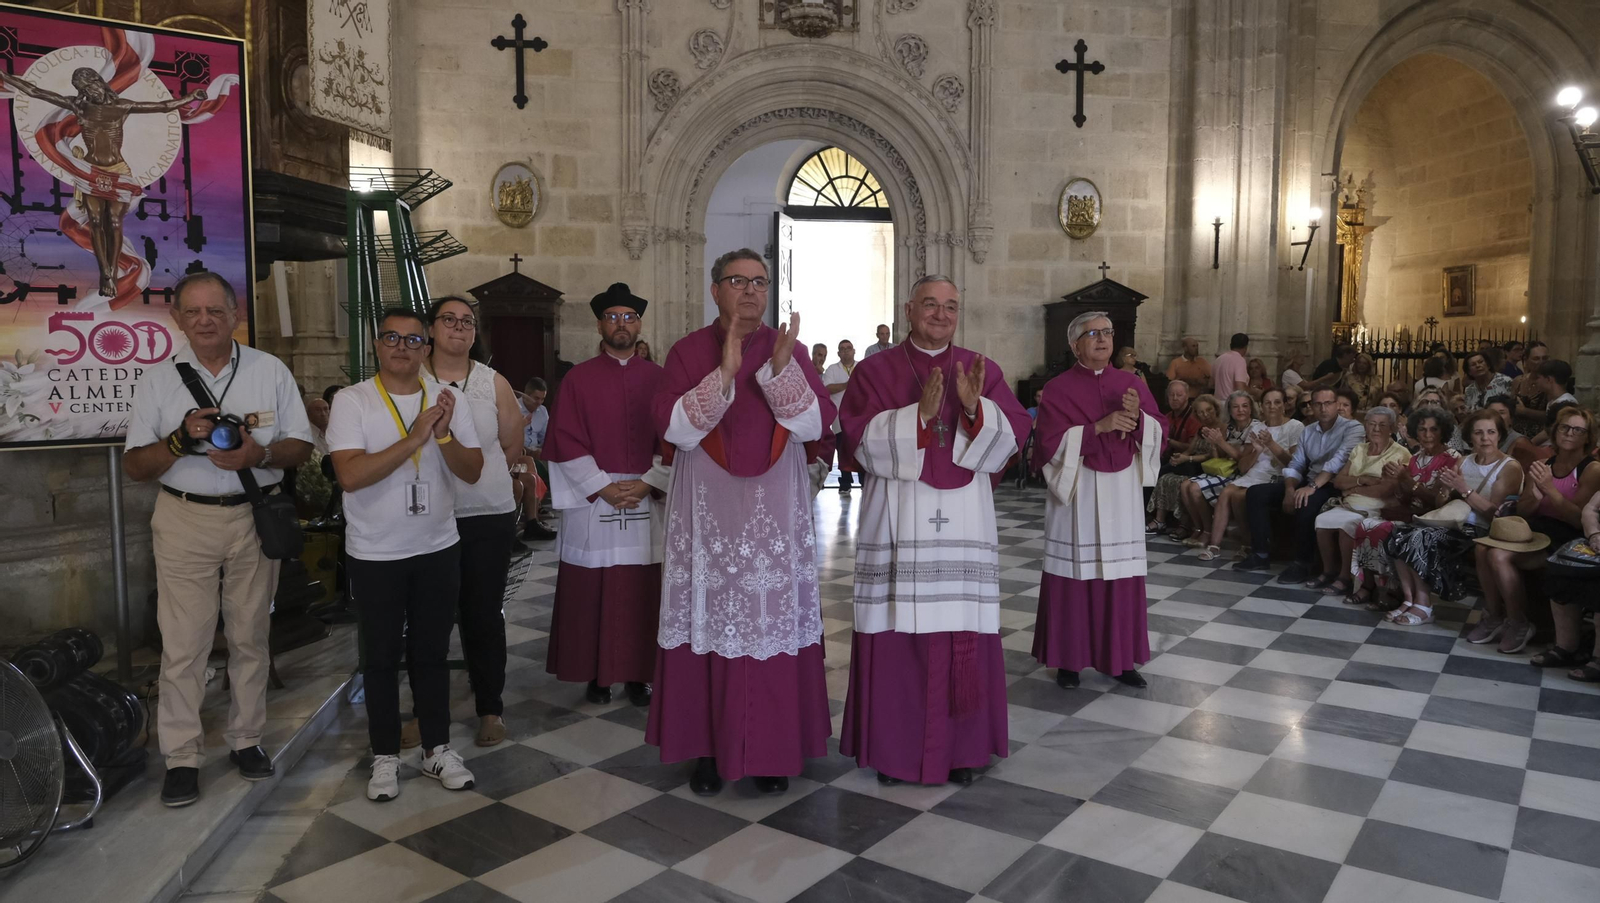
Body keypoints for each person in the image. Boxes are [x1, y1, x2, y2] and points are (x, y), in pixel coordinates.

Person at [647, 248, 836, 796]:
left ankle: (771, 753)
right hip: (708, 512)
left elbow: (815, 426)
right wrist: (725, 373)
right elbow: (673, 429)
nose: (751, 290)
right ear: (715, 290)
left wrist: (781, 371)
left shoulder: (786, 346)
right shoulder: (687, 351)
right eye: (738, 281)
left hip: (774, 511)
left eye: (760, 281)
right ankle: (708, 752)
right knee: (707, 621)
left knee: (770, 621)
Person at [123, 272, 313, 807]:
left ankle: (246, 740)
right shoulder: (158, 380)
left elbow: (301, 445)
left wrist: (260, 454)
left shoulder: (268, 370)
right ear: (177, 319)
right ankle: (182, 758)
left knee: (251, 635)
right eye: (193, 311)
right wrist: (179, 440)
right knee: (184, 645)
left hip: (254, 516)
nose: (204, 320)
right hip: (184, 519)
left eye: (215, 311)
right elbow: (135, 466)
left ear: (235, 315)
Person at [837, 275, 1029, 786]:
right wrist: (916, 418)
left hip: (965, 516)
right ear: (909, 309)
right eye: (930, 305)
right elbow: (855, 440)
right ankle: (896, 753)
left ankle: (962, 751)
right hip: (896, 517)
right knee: (896, 631)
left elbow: (1014, 436)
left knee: (961, 629)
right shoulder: (876, 371)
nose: (941, 315)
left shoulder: (982, 369)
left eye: (950, 307)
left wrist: (974, 409)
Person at [327, 307, 484, 802]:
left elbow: (472, 471)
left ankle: (437, 748)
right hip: (375, 552)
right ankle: (385, 754)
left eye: (413, 340)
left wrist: (442, 435)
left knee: (431, 653)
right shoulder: (353, 401)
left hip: (437, 546)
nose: (401, 346)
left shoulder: (448, 399)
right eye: (391, 337)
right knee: (379, 657)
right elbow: (351, 475)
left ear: (426, 349)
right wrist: (413, 438)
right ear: (377, 344)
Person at [543, 283, 667, 707]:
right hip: (595, 499)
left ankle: (639, 674)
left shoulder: (660, 379)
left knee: (641, 590)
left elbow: (673, 439)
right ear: (600, 325)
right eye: (612, 317)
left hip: (646, 495)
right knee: (593, 590)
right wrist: (604, 488)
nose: (621, 324)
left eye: (628, 317)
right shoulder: (578, 379)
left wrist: (649, 481)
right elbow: (564, 439)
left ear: (639, 324)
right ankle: (597, 672)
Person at [1032, 311, 1167, 689]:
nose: (1103, 339)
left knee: (1120, 576)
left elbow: (1160, 429)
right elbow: (1047, 444)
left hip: (1122, 489)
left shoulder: (1131, 383)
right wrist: (1098, 428)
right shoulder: (1057, 388)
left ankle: (1120, 660)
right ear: (1075, 345)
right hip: (1078, 488)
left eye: (1107, 332)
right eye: (1093, 334)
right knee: (1074, 575)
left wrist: (1138, 419)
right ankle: (1069, 661)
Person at [0, 68, 208, 299]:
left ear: (99, 82)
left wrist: (190, 97)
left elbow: (163, 106)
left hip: (118, 171)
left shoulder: (122, 106)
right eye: (84, 89)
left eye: (92, 86)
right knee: (97, 221)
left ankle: (113, 267)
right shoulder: (80, 107)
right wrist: (6, 78)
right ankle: (106, 272)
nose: (91, 92)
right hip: (91, 172)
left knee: (114, 222)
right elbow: (36, 91)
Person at [418, 296, 523, 748]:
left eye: (467, 321)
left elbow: (512, 443)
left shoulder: (492, 382)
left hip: (485, 514)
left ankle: (490, 708)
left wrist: (485, 479)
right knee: (429, 619)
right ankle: (427, 712)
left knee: (483, 615)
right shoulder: (412, 379)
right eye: (449, 319)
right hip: (427, 516)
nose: (459, 328)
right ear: (431, 328)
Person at [1388, 408, 1522, 620]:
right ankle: (1409, 599)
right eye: (1478, 433)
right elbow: (1440, 503)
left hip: (1480, 529)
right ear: (1470, 436)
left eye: (1491, 432)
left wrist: (1464, 489)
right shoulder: (1464, 461)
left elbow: (1495, 516)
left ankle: (1424, 604)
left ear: (1500, 435)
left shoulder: (1509, 467)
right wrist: (1445, 490)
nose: (1485, 438)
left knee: (1419, 537)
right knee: (1397, 534)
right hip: (1453, 522)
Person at [1234, 386, 1363, 576]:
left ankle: (1303, 562)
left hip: (1334, 484)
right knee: (1255, 493)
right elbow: (1297, 463)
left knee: (1306, 501)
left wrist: (1312, 487)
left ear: (1337, 405)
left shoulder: (1353, 428)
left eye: (1328, 403)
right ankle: (1260, 554)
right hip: (1309, 481)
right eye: (1318, 404)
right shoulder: (1309, 430)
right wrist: (1289, 488)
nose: (1323, 408)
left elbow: (1338, 461)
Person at [1515, 408, 1600, 664]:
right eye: (1565, 427)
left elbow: (1576, 519)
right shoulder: (1543, 466)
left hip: (1567, 535)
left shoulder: (1592, 469)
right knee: (1489, 552)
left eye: (1578, 430)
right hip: (1543, 530)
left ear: (1588, 437)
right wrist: (1536, 497)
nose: (1569, 433)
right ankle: (1562, 645)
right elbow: (1590, 512)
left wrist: (1550, 490)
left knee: (1505, 558)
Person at [1308, 406, 1412, 599]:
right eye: (1372, 424)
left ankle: (1345, 577)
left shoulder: (1400, 453)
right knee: (1322, 522)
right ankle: (1329, 571)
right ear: (1365, 426)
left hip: (1377, 508)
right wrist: (1362, 480)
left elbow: (1384, 490)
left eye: (1382, 425)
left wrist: (1353, 488)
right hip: (1349, 504)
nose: (1376, 429)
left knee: (1346, 526)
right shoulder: (1360, 449)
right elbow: (1339, 481)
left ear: (1391, 428)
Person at [1199, 388, 1301, 562]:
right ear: (1261, 406)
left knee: (1238, 496)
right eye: (1267, 403)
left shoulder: (1295, 426)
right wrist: (1257, 451)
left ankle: (1248, 544)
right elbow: (1243, 466)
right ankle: (1214, 545)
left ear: (1284, 405)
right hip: (1254, 473)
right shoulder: (1257, 426)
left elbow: (1293, 464)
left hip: (1277, 475)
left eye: (1277, 402)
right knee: (1226, 492)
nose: (1272, 406)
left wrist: (1271, 443)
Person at [1179, 391, 1261, 559]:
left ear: (1251, 408)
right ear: (1229, 410)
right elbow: (1220, 458)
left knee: (1195, 488)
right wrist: (1214, 445)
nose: (1240, 410)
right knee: (1185, 485)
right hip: (1225, 469)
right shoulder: (1230, 427)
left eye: (1245, 406)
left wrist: (1221, 442)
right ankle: (1200, 527)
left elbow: (1242, 460)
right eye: (1235, 407)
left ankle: (1208, 532)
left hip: (1240, 473)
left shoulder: (1255, 427)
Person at [1147, 394, 1222, 538]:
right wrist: (1180, 457)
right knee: (1162, 474)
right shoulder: (1201, 429)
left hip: (1205, 466)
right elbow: (1190, 449)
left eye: (1209, 410)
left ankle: (1185, 525)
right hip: (1191, 462)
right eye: (1201, 412)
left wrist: (1188, 458)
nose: (1205, 415)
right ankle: (1159, 519)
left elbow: (1212, 456)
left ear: (1216, 409)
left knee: (1180, 480)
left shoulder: (1222, 428)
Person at [517, 377, 556, 541]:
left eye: (542, 399)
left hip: (536, 450)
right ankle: (535, 512)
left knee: (556, 460)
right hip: (520, 451)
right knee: (531, 461)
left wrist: (547, 450)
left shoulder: (542, 411)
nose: (539, 403)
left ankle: (538, 511)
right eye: (535, 398)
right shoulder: (514, 407)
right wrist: (530, 451)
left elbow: (546, 437)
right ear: (526, 395)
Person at [823, 339, 859, 494]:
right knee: (842, 450)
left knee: (861, 450)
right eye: (842, 349)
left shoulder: (862, 367)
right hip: (839, 418)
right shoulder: (832, 369)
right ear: (838, 353)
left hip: (859, 417)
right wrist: (847, 384)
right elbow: (827, 388)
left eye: (848, 348)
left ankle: (864, 480)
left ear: (854, 351)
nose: (846, 351)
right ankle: (845, 483)